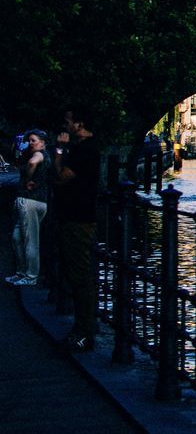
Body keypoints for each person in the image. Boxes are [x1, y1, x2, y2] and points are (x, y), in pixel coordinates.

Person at [53, 108, 101, 352]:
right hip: (76, 216)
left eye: (68, 121)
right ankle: (84, 328)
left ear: (79, 124)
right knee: (77, 273)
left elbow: (61, 178)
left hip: (78, 218)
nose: (65, 126)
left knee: (80, 275)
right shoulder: (84, 149)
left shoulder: (85, 151)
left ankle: (84, 332)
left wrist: (59, 152)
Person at [7, 129, 50, 286]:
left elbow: (33, 162)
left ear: (43, 142)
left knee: (29, 239)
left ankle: (30, 275)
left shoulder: (39, 155)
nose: (31, 143)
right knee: (17, 237)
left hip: (31, 200)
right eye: (30, 140)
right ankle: (22, 272)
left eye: (34, 140)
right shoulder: (37, 155)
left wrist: (28, 179)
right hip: (32, 200)